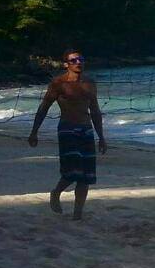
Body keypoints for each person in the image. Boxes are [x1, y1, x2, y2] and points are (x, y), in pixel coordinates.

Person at [28, 49, 107, 221]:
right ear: (66, 64)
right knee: (73, 170)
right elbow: (44, 107)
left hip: (86, 129)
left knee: (87, 175)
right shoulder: (59, 83)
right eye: (73, 60)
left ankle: (77, 214)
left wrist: (101, 136)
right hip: (67, 128)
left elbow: (95, 111)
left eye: (81, 59)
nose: (78, 62)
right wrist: (34, 131)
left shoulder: (90, 83)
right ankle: (56, 192)